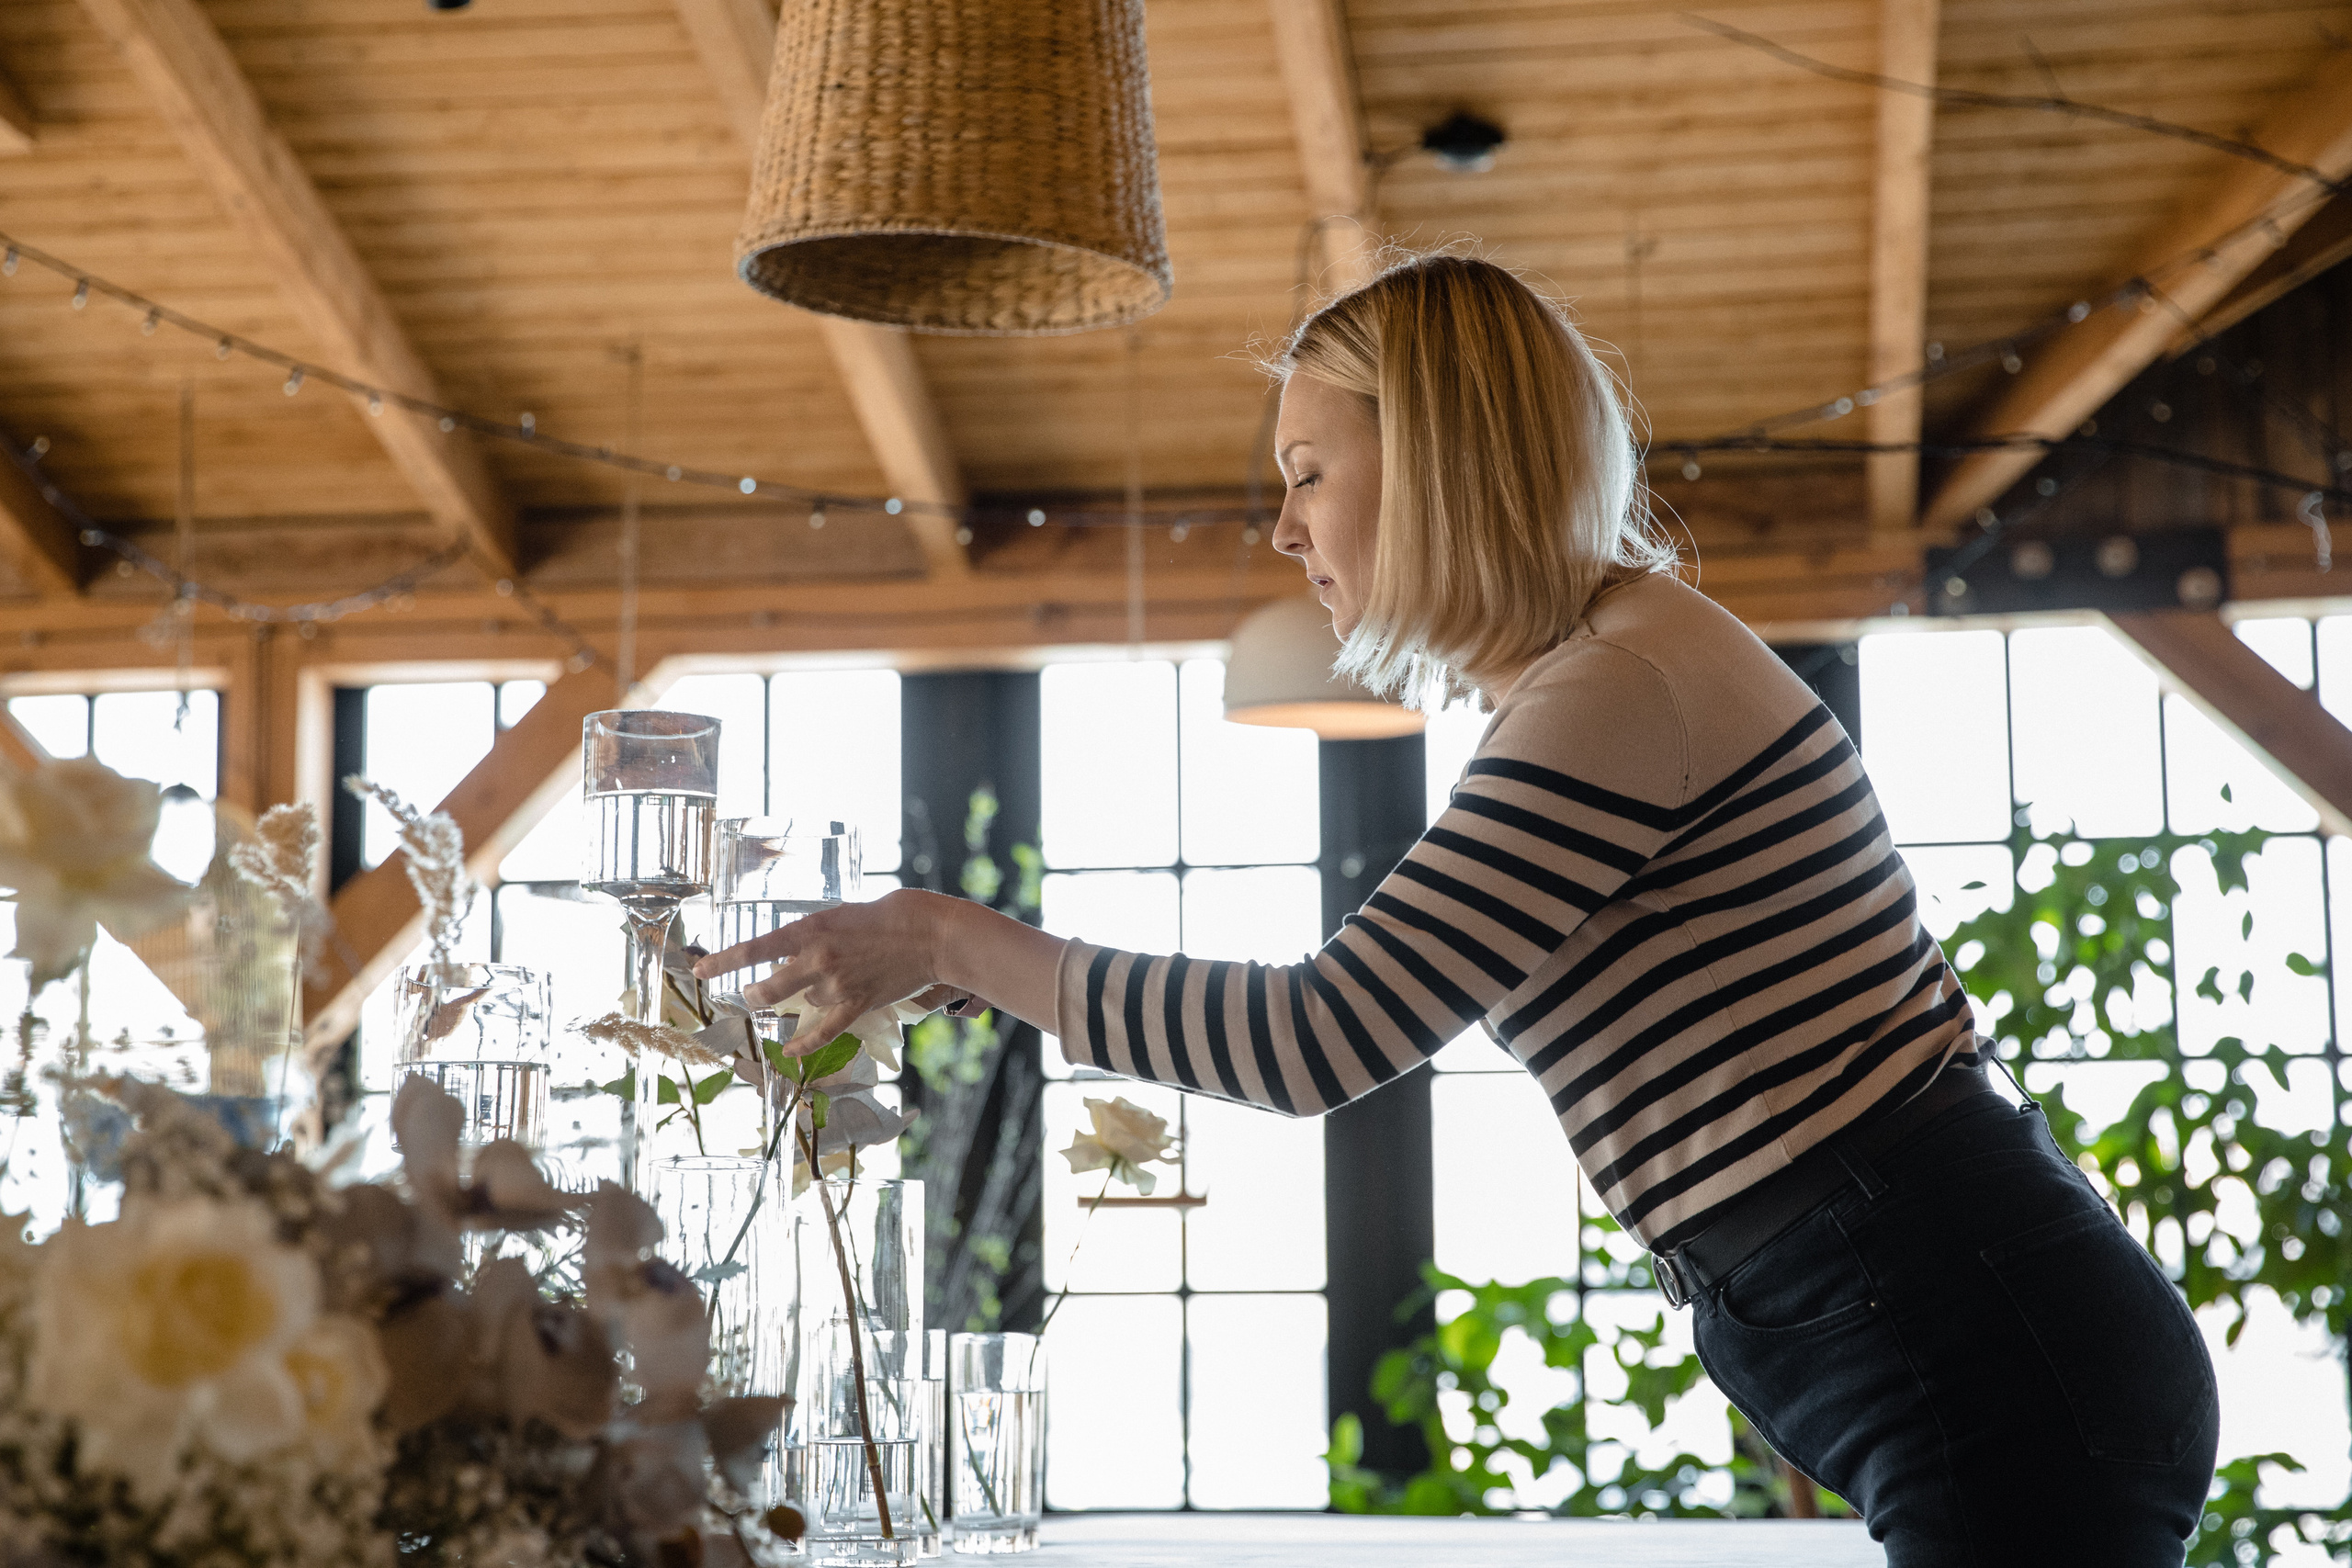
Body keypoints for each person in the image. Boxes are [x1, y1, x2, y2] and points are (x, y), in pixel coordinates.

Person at [697, 254, 2219, 1564]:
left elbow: (1322, 1037)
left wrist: (957, 936)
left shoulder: (1619, 681)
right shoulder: (1601, 671)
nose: (1285, 532)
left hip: (1974, 1335)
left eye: (1306, 472)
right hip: (1949, 1319)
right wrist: (962, 973)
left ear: (1431, 456)